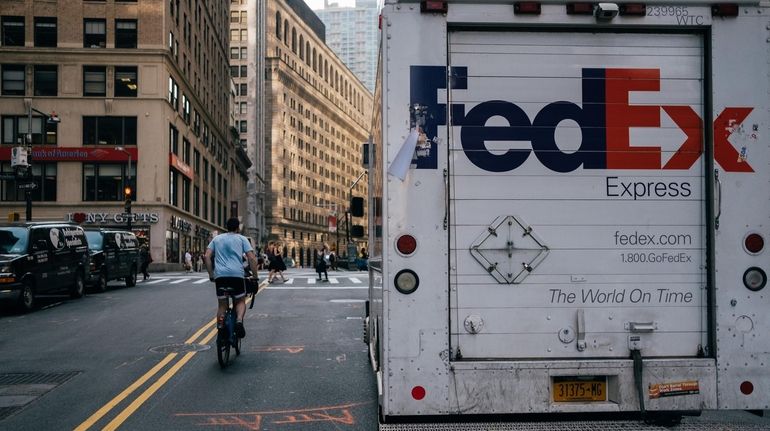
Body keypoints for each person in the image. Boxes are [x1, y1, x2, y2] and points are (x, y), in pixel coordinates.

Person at [204, 218, 260, 339]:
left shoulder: (217, 239)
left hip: (220, 276)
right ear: (237, 228)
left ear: (226, 227)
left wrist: (211, 274)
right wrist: (255, 276)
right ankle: (239, 320)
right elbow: (251, 258)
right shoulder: (242, 239)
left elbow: (207, 256)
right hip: (236, 276)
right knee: (240, 300)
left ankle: (220, 325)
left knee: (222, 305)